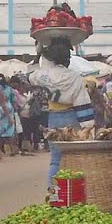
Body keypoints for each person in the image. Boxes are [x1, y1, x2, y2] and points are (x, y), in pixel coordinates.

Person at [29, 38, 95, 182]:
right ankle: (72, 192)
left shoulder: (42, 75)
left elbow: (31, 75)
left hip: (53, 119)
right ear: (67, 59)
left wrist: (38, 54)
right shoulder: (74, 77)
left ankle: (52, 192)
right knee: (74, 157)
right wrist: (88, 128)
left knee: (55, 159)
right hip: (71, 118)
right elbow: (82, 104)